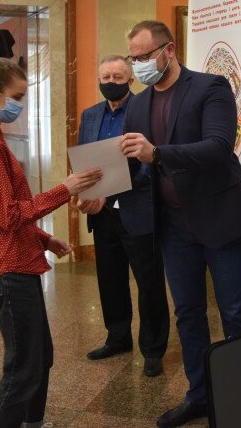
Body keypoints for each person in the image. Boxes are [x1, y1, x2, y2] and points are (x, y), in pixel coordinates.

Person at [120, 20, 241, 428]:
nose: (139, 64)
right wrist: (103, 190)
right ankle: (200, 395)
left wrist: (158, 154)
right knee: (188, 313)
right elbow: (137, 166)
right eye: (133, 58)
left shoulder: (210, 87)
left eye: (145, 56)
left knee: (235, 314)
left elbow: (218, 147)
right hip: (173, 226)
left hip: (221, 218)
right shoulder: (137, 105)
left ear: (169, 49)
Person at [0, 57, 101, 428]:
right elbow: (8, 216)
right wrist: (65, 189)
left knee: (40, 357)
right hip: (7, 267)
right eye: (16, 96)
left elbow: (5, 211)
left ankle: (32, 424)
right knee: (23, 368)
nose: (20, 104)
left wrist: (44, 239)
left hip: (18, 260)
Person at [77, 55, 169, 377]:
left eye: (118, 77)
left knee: (149, 283)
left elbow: (150, 165)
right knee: (110, 279)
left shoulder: (146, 110)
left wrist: (109, 192)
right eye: (105, 77)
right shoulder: (90, 115)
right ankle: (117, 337)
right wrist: (85, 193)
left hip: (138, 210)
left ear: (130, 80)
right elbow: (85, 161)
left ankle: (153, 349)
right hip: (102, 214)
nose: (111, 82)